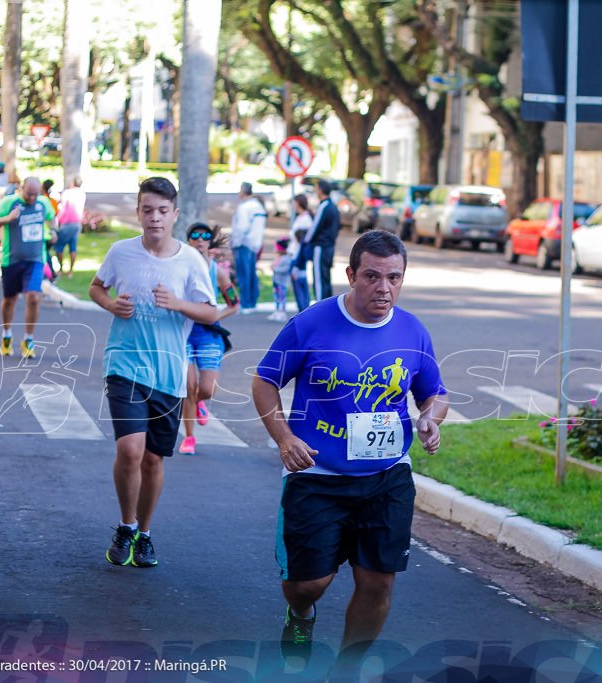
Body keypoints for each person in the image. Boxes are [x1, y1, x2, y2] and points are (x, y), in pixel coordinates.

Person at [252, 230, 448, 669]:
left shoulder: (412, 331)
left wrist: (431, 418)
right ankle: (301, 614)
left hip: (388, 477)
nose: (384, 288)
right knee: (308, 585)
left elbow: (434, 393)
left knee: (378, 582)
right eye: (373, 277)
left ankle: (347, 668)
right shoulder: (312, 323)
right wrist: (284, 438)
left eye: (394, 278)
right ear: (350, 275)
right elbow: (265, 382)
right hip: (318, 477)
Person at [90, 177, 218, 568]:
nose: (155, 218)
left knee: (153, 461)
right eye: (148, 210)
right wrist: (112, 305)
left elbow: (211, 312)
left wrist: (179, 303)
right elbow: (97, 288)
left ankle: (144, 533)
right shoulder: (120, 252)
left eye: (162, 211)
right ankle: (125, 525)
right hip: (124, 364)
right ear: (139, 213)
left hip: (168, 373)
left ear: (174, 215)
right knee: (130, 450)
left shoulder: (190, 261)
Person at [178, 222, 240, 456]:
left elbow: (234, 304)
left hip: (209, 336)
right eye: (195, 235)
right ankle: (190, 437)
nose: (200, 238)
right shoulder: (180, 268)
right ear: (189, 240)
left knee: (207, 388)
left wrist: (215, 315)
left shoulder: (217, 271)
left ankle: (199, 402)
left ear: (209, 241)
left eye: (205, 235)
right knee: (189, 385)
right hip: (183, 333)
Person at [0, 177, 56, 359]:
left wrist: (53, 231)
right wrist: (8, 218)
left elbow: (52, 218)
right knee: (10, 300)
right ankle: (7, 335)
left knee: (34, 297)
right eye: (29, 194)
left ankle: (28, 340)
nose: (32, 198)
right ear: (21, 188)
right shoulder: (9, 202)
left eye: (35, 194)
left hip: (35, 259)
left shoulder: (44, 203)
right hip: (12, 259)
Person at [229, 181, 266, 313]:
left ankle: (245, 303)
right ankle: (252, 301)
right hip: (255, 244)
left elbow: (241, 227)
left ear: (243, 192)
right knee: (251, 274)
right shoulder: (259, 207)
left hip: (243, 244)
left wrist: (234, 242)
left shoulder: (244, 207)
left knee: (243, 275)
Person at [301, 179, 340, 301]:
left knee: (318, 278)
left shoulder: (323, 206)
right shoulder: (334, 207)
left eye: (316, 189)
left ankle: (320, 304)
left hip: (320, 247)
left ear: (321, 190)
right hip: (330, 247)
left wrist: (305, 241)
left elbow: (314, 228)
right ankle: (327, 304)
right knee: (326, 277)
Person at [53, 175, 86, 276]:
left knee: (58, 246)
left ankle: (61, 269)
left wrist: (58, 219)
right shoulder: (82, 193)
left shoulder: (67, 193)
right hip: (77, 223)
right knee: (73, 246)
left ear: (72, 182)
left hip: (67, 222)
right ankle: (71, 271)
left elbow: (63, 208)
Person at [288, 194, 312, 313]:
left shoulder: (306, 220)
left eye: (294, 202)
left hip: (298, 256)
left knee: (299, 283)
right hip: (294, 254)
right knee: (298, 282)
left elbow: (302, 242)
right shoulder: (300, 217)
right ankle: (302, 308)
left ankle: (303, 308)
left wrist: (298, 259)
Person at [269, 238, 290, 323]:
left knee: (282, 297)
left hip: (282, 282)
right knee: (276, 297)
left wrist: (275, 269)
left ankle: (282, 312)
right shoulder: (277, 258)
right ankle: (277, 311)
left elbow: (286, 269)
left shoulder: (286, 258)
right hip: (276, 281)